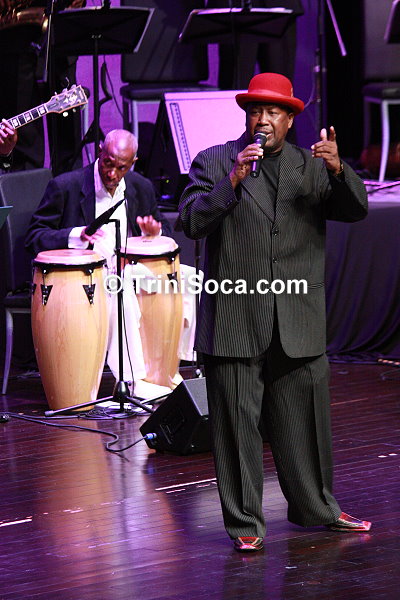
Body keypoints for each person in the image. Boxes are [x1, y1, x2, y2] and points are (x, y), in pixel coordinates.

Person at [178, 72, 371, 552]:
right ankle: (245, 522)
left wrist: (339, 171)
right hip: (236, 317)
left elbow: (355, 210)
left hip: (297, 318)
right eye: (255, 111)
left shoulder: (312, 166)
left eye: (273, 112)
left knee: (306, 423)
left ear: (289, 119)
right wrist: (232, 181)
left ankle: (319, 507)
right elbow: (191, 221)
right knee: (235, 428)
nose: (262, 120)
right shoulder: (215, 160)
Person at [25, 129, 196, 398]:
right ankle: (132, 381)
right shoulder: (66, 186)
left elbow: (161, 228)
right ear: (100, 152)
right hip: (85, 277)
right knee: (120, 290)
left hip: (131, 268)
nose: (112, 173)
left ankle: (169, 371)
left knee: (188, 277)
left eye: (121, 167)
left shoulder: (140, 187)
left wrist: (154, 232)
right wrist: (76, 236)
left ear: (133, 163)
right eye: (108, 163)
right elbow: (34, 237)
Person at [0, 0, 84, 174]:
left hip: (59, 28)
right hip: (15, 36)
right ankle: (25, 189)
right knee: (21, 137)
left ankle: (69, 187)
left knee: (68, 137)